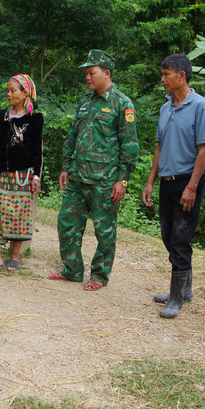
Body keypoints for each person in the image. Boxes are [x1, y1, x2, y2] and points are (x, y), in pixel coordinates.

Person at [48, 50, 138, 291]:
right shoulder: (85, 101)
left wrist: (123, 181)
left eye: (92, 72)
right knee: (66, 224)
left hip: (105, 182)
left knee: (104, 231)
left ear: (106, 73)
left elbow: (129, 147)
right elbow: (72, 136)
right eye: (86, 73)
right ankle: (72, 269)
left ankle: (99, 275)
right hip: (77, 177)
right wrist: (66, 166)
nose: (87, 77)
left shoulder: (122, 104)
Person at [142, 54, 205, 318]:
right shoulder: (166, 107)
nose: (162, 79)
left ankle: (176, 299)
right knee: (168, 236)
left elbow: (204, 149)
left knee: (181, 239)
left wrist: (192, 187)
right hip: (167, 181)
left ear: (181, 75)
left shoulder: (201, 106)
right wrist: (150, 181)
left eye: (166, 74)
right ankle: (184, 289)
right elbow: (160, 147)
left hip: (188, 181)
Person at [0, 74, 43, 271]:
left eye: (13, 90)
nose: (9, 94)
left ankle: (14, 256)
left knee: (18, 215)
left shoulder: (34, 119)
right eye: (7, 90)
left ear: (25, 93)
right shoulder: (2, 115)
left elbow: (36, 151)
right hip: (0, 174)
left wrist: (36, 176)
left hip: (22, 176)